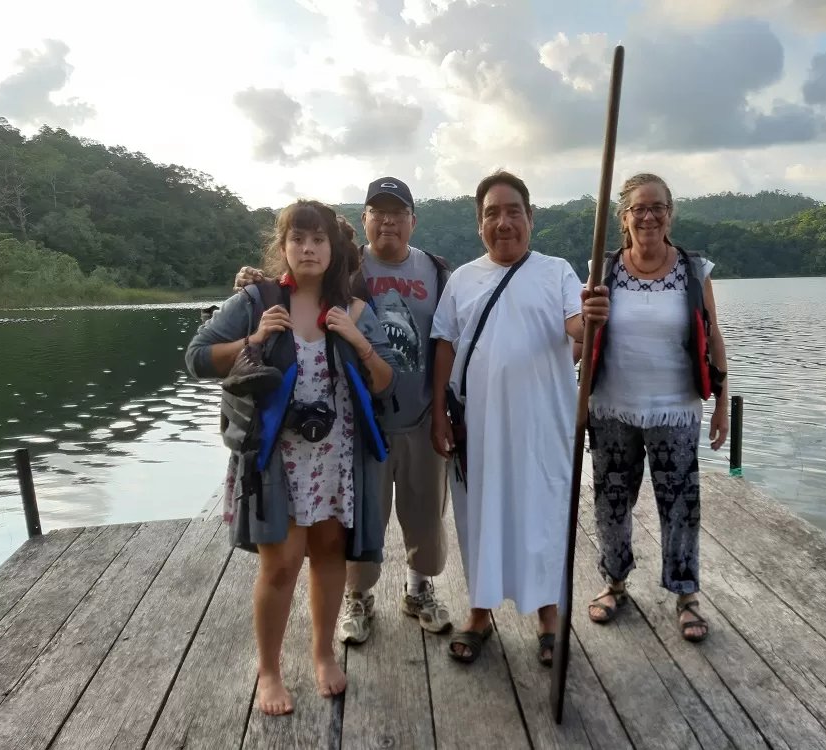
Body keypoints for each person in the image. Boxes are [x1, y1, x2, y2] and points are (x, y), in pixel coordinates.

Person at [186, 200, 397, 712]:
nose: (309, 248)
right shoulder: (257, 300)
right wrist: (254, 340)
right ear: (283, 248)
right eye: (298, 239)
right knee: (279, 566)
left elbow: (386, 381)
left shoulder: (356, 308)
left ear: (333, 248)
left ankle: (323, 654)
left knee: (328, 555)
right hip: (277, 460)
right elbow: (196, 358)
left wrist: (357, 342)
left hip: (336, 458)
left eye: (319, 239)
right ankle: (270, 672)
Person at [233, 177, 454, 644]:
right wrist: (254, 284)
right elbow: (293, 284)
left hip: (420, 417)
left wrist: (447, 414)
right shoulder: (346, 269)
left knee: (426, 517)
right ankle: (359, 598)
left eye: (399, 212)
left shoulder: (437, 271)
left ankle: (419, 590)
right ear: (364, 220)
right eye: (379, 211)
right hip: (360, 426)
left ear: (413, 220)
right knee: (360, 519)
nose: (389, 220)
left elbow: (451, 343)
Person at [430, 170, 610, 665]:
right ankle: (480, 612)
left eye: (513, 211)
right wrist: (440, 414)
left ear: (531, 218)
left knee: (542, 516)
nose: (503, 222)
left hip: (541, 426)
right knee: (479, 516)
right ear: (479, 224)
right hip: (478, 426)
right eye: (492, 213)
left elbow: (575, 324)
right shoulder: (463, 279)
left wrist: (592, 313)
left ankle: (549, 618)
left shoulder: (556, 272)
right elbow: (444, 343)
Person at [586, 173, 729, 643]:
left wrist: (722, 403)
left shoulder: (694, 270)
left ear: (670, 212)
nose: (648, 216)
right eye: (638, 208)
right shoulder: (602, 269)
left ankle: (686, 593)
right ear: (623, 217)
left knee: (680, 505)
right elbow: (583, 338)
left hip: (676, 409)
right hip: (612, 408)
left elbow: (713, 338)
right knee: (612, 501)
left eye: (657, 207)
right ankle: (615, 582)